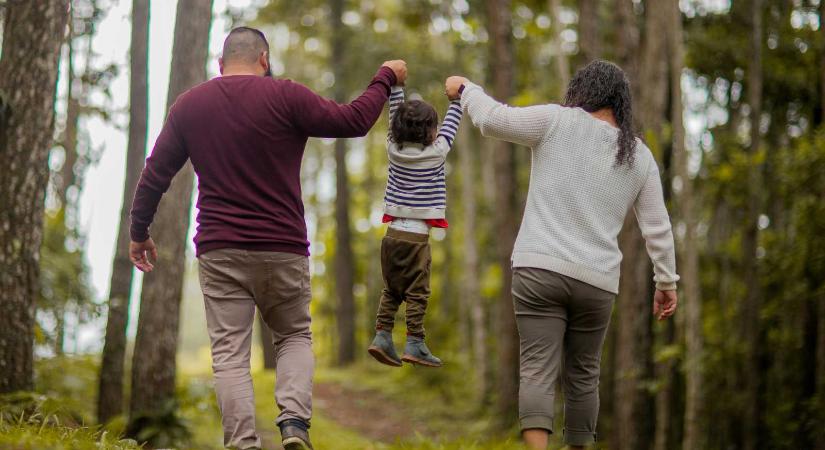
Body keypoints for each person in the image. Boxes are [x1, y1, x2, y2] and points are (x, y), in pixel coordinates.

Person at [128, 26, 407, 450]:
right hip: (282, 247)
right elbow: (353, 121)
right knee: (294, 336)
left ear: (220, 65)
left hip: (220, 250)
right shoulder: (286, 95)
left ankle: (243, 444)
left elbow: (155, 174)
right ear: (264, 59)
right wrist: (384, 76)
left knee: (229, 356)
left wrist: (139, 232)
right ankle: (294, 423)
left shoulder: (190, 105)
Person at [444, 60, 679, 450]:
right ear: (621, 103)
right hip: (597, 282)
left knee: (537, 369)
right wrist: (666, 282)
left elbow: (492, 120)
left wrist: (466, 88)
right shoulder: (639, 157)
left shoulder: (556, 121)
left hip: (539, 269)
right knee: (584, 377)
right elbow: (658, 227)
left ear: (582, 91)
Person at [367, 84, 463, 368]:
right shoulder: (437, 153)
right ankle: (415, 342)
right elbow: (452, 125)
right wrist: (456, 100)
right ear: (431, 132)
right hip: (417, 239)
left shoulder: (392, 150)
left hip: (392, 236)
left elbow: (393, 114)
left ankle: (382, 335)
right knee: (417, 292)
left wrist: (396, 87)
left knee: (391, 289)